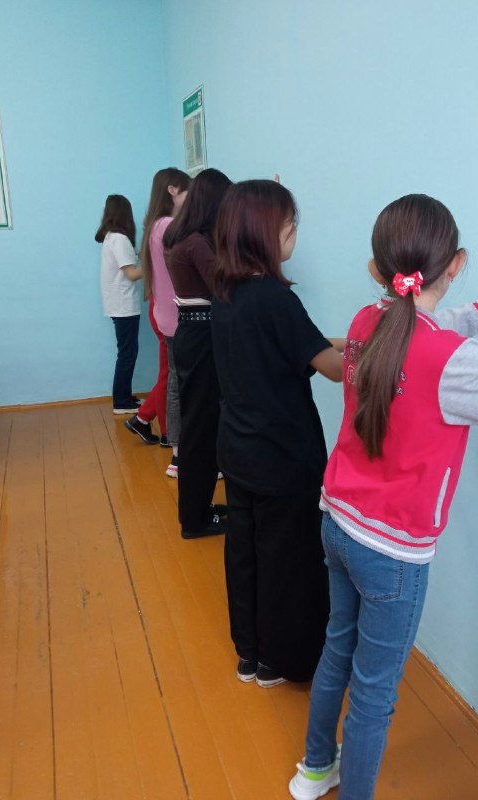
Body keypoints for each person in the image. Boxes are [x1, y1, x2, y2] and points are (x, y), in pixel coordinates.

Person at [289, 195, 478, 800]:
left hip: (337, 522)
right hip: (392, 553)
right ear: (456, 264)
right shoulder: (451, 361)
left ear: (378, 271)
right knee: (374, 693)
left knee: (337, 648)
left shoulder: (367, 322)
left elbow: (437, 324)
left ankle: (314, 771)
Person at [211, 180, 345, 688]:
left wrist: (349, 338)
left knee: (245, 553)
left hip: (239, 449)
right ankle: (282, 661)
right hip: (283, 457)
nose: (294, 235)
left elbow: (294, 343)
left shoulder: (227, 292)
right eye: (291, 226)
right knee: (287, 559)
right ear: (266, 234)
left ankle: (249, 653)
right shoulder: (276, 298)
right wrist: (390, 344)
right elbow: (333, 369)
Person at [164, 168, 233, 537]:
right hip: (202, 336)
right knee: (202, 431)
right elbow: (224, 287)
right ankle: (196, 519)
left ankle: (197, 511)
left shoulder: (184, 238)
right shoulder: (196, 243)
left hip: (194, 333)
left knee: (200, 427)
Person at [125, 168, 190, 471]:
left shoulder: (154, 225)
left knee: (171, 379)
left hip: (164, 314)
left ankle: (173, 445)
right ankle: (175, 444)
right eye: (189, 193)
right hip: (177, 317)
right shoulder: (168, 226)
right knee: (176, 382)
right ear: (173, 190)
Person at [95, 194, 143, 414]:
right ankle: (121, 402)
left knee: (126, 351)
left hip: (117, 304)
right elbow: (132, 274)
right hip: (124, 305)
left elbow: (128, 261)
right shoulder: (120, 239)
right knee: (127, 352)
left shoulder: (111, 237)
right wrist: (152, 264)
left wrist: (141, 254)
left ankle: (124, 395)